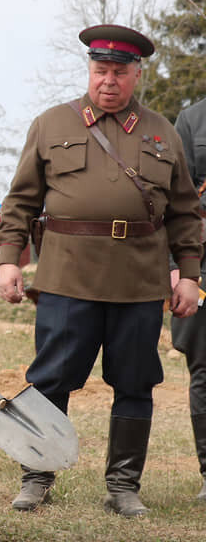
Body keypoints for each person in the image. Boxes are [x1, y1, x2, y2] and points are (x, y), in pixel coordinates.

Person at [0, 24, 203, 517]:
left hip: (138, 281)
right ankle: (36, 477)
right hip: (67, 277)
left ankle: (123, 486)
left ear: (136, 74)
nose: (109, 81)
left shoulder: (162, 132)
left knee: (134, 380)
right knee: (51, 378)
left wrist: (189, 274)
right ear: (89, 71)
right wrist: (8, 259)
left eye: (120, 72)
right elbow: (20, 201)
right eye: (100, 70)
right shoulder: (51, 125)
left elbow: (185, 212)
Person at [172, 95, 206, 501]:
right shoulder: (192, 119)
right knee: (205, 367)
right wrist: (177, 266)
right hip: (202, 263)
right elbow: (176, 200)